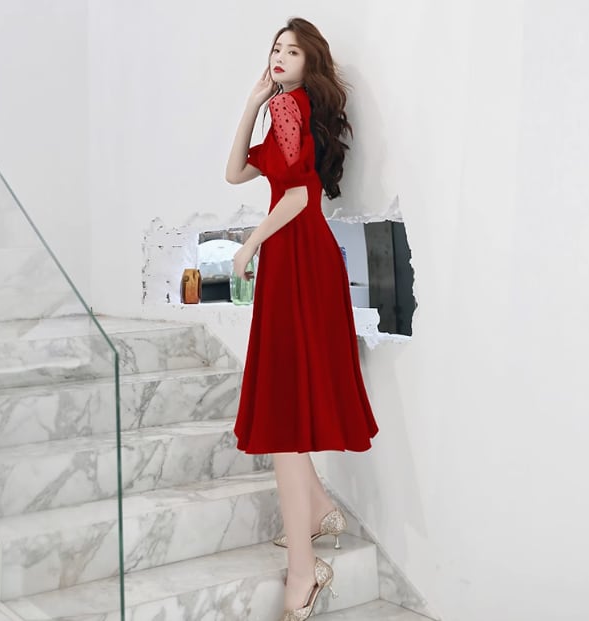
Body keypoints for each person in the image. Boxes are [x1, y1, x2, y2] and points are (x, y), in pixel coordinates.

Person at [225, 17, 379, 620]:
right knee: (287, 401)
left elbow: (297, 197)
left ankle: (303, 571)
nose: (280, 55)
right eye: (275, 48)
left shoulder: (292, 109)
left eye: (292, 50)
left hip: (296, 256)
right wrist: (252, 102)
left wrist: (248, 245)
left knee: (285, 412)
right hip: (303, 258)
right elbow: (236, 172)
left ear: (310, 61)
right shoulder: (287, 110)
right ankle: (317, 511)